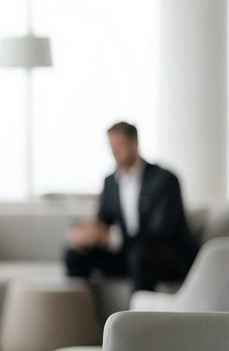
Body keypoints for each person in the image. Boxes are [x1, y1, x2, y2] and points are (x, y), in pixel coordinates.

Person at [65, 122, 196, 292]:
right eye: (111, 147)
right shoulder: (111, 182)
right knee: (74, 256)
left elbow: (160, 232)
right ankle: (85, 316)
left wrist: (112, 238)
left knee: (140, 257)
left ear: (134, 143)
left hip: (164, 255)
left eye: (119, 145)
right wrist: (88, 233)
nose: (114, 152)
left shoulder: (164, 180)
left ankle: (137, 318)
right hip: (126, 254)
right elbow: (104, 221)